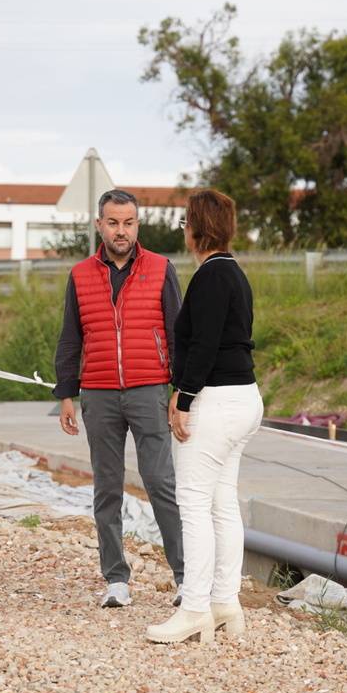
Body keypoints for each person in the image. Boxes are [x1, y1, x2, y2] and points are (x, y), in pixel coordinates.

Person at [53, 188, 185, 608]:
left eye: (128, 222)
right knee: (107, 488)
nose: (121, 230)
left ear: (137, 225)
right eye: (113, 222)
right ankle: (116, 579)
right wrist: (66, 393)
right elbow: (70, 337)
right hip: (99, 394)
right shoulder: (80, 275)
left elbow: (178, 333)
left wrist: (180, 391)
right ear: (99, 225)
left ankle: (185, 578)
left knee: (161, 483)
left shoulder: (161, 269)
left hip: (150, 389)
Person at [146, 188, 263, 645]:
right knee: (221, 502)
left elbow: (204, 344)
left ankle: (194, 608)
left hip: (216, 402)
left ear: (198, 228)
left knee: (193, 503)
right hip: (244, 398)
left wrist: (183, 398)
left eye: (185, 222)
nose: (184, 230)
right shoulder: (234, 273)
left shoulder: (210, 277)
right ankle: (225, 602)